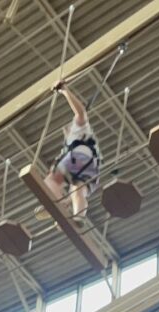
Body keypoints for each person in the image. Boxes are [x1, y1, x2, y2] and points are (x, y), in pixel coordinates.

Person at [42, 81, 100, 223]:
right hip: (88, 165)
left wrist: (64, 90)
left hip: (82, 158)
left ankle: (59, 203)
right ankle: (77, 215)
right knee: (77, 190)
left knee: (52, 179)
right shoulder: (70, 144)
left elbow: (80, 113)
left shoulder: (80, 129)